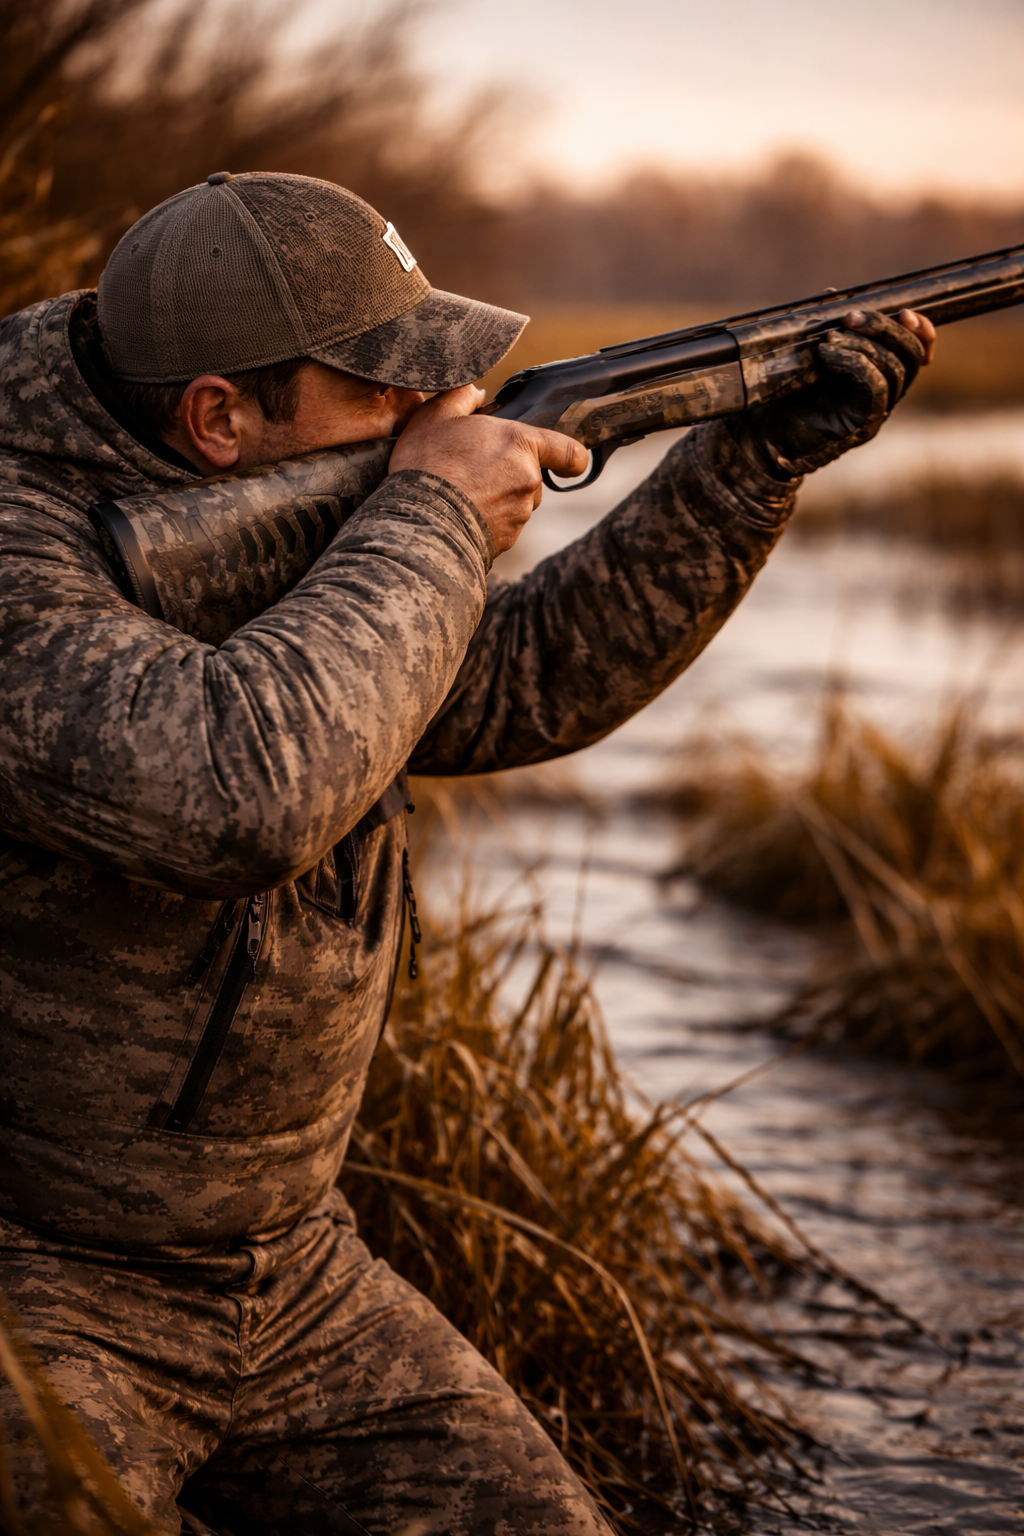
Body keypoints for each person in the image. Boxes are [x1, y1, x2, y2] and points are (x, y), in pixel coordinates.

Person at [0, 171, 934, 1535]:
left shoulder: (283, 509)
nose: (444, 411)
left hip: (294, 1274)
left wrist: (747, 468)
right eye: (386, 388)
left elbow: (517, 678)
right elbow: (229, 791)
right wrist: (433, 516)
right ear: (219, 419)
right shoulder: (21, 558)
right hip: (40, 1284)